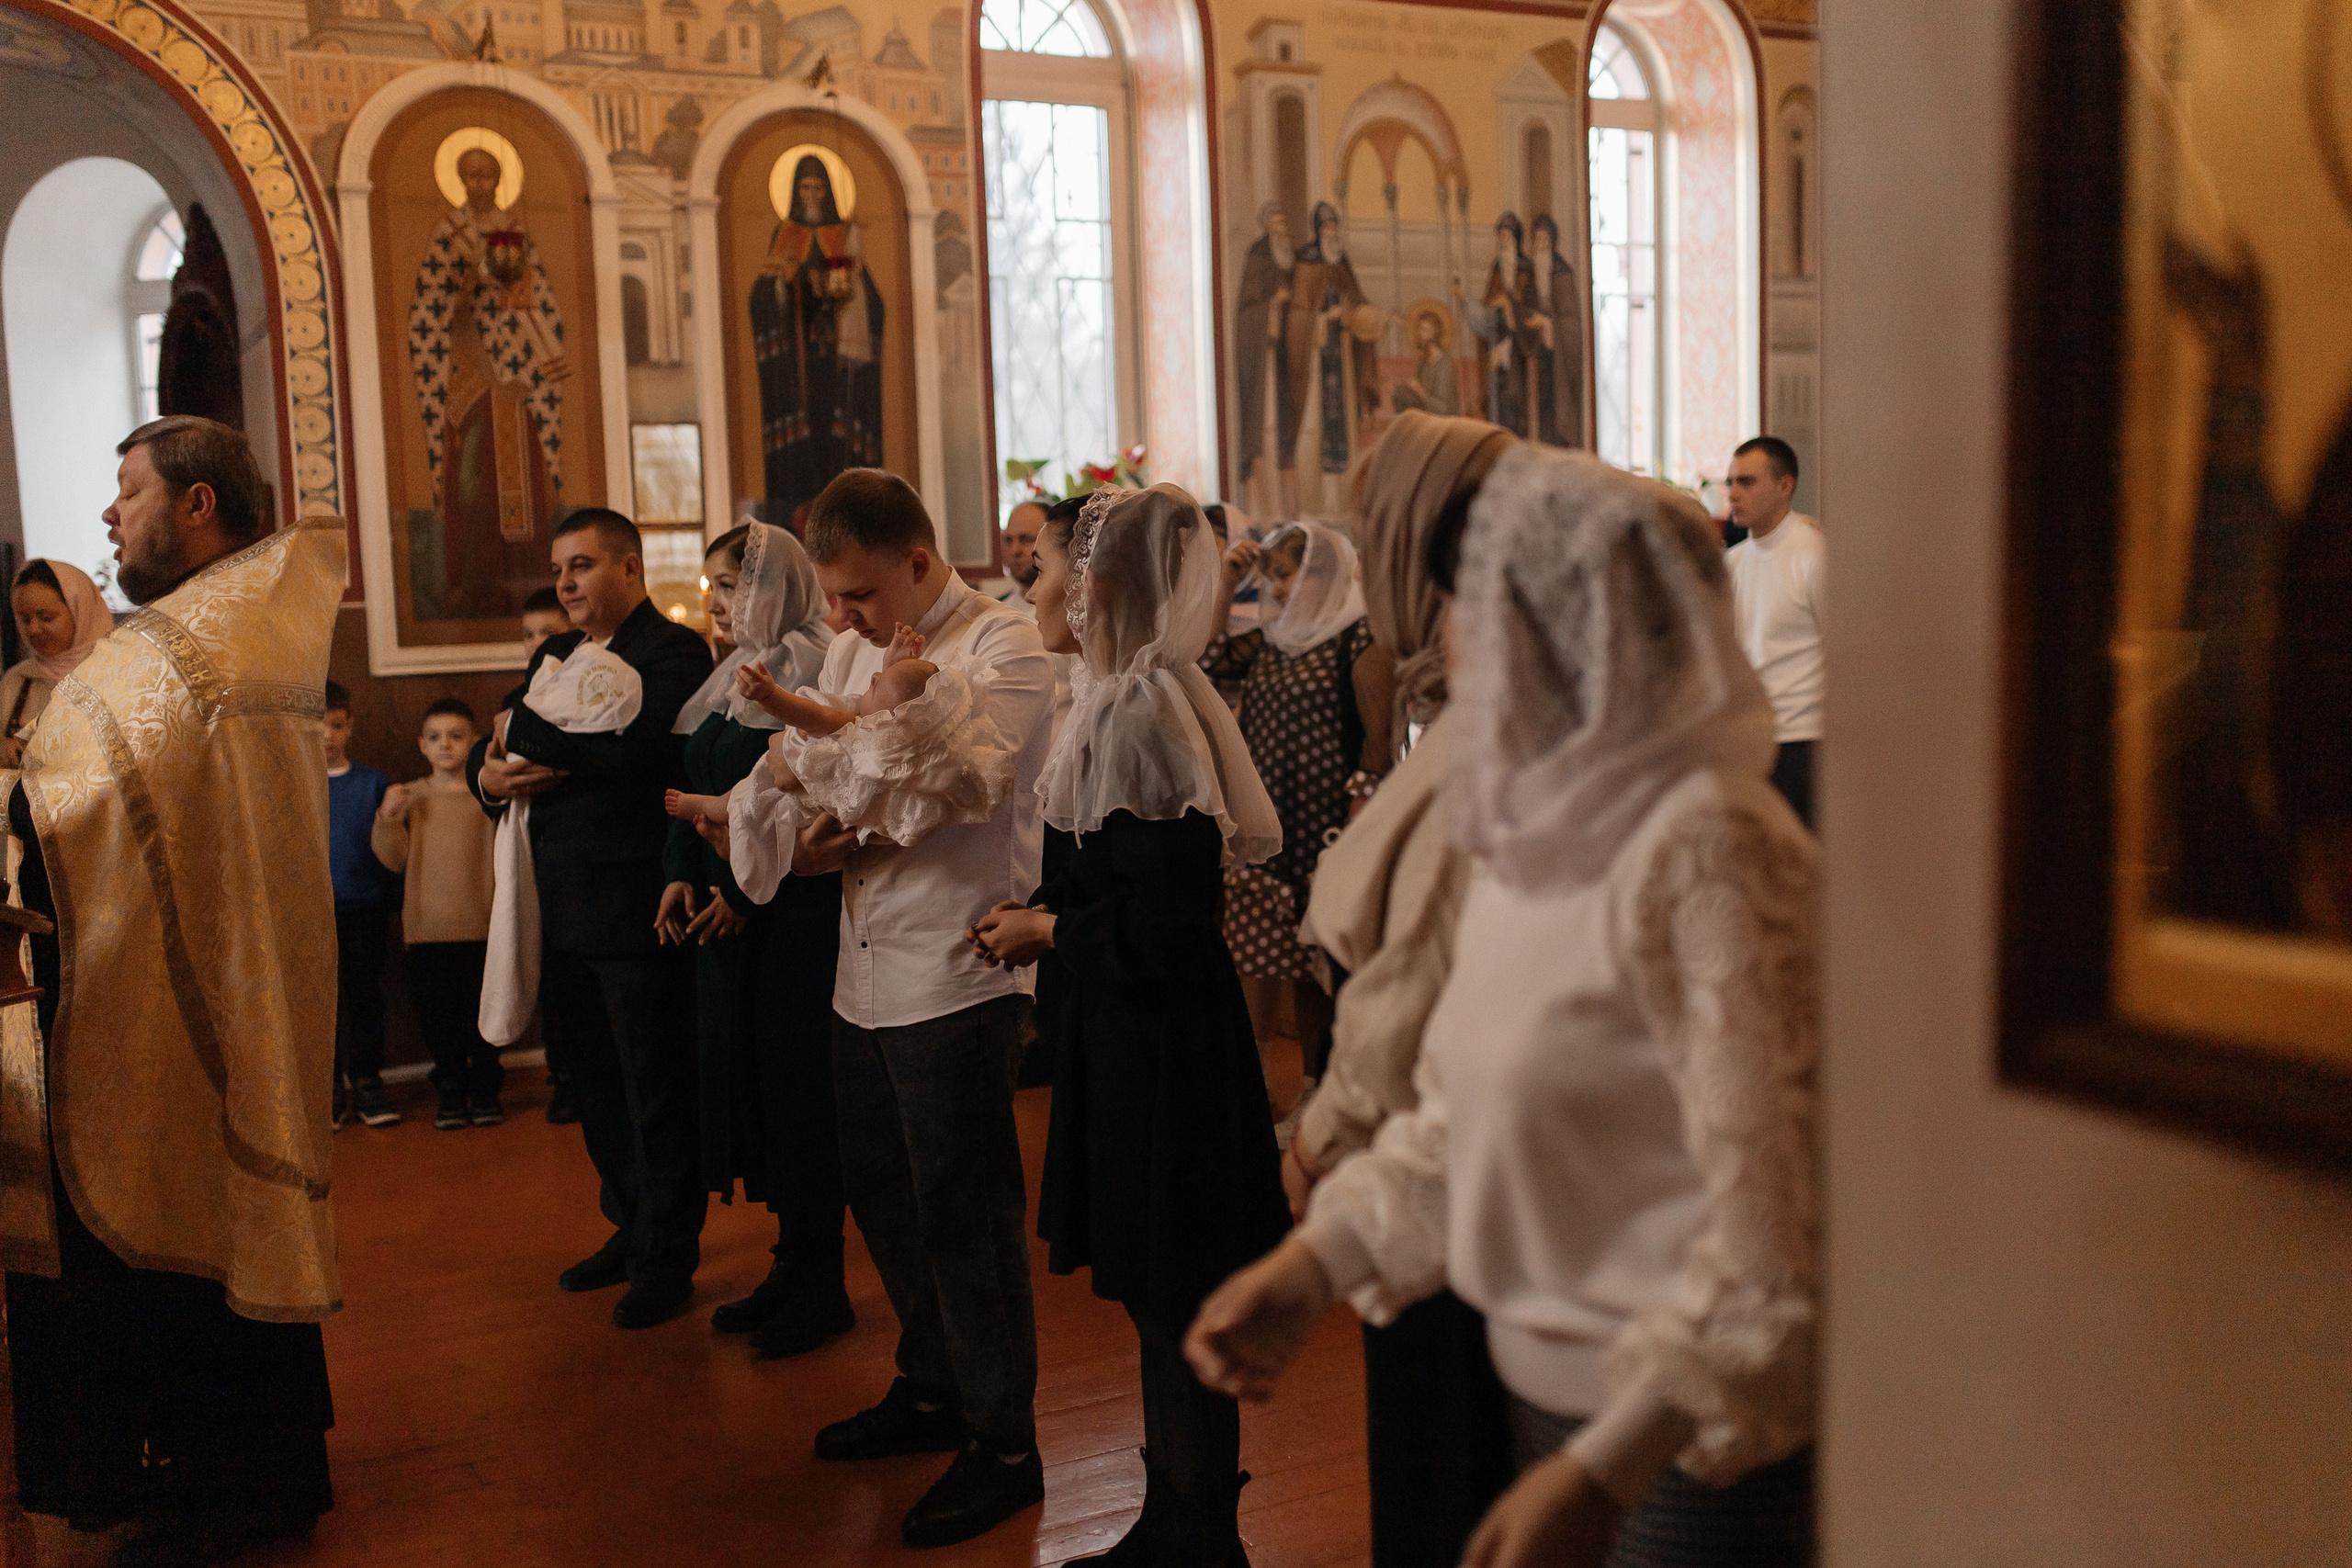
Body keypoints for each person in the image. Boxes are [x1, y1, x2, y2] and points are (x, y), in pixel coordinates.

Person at [1186, 447, 1821, 1568]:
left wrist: (1605, 1471)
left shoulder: (1705, 848)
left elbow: (1776, 1246)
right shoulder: (1535, 832)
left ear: (1588, 635)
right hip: (1545, 1411)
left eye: (1486, 611)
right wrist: (1317, 1263)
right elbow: (1456, 1115)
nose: (1455, 642)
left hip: (1687, 1445)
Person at [4, 415, 345, 1560]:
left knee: (173, 1226)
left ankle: (222, 1480)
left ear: (199, 506)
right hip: (180, 968)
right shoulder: (231, 618)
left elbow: (75, 800)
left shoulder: (206, 637)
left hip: (166, 984)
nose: (109, 514)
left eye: (129, 490)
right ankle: (216, 1470)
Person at [969, 484, 1287, 1564]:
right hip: (1132, 1033)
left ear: (1098, 584)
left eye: (1047, 566)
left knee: (1176, 1292)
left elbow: (1164, 916)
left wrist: (1048, 933)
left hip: (1167, 1047)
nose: (1033, 587)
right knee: (1156, 1295)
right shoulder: (1111, 695)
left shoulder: (1143, 708)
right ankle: (1172, 1523)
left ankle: (1203, 1537)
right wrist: (1042, 920)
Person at [758, 468, 1053, 1550]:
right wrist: (805, 832)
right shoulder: (849, 646)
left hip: (954, 969)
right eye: (834, 598)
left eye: (857, 594)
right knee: (882, 1191)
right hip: (858, 968)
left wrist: (830, 806)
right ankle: (931, 1386)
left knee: (966, 1216)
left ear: (919, 564)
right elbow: (799, 763)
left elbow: (928, 796)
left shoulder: (1007, 648)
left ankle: (1004, 1443)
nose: (838, 619)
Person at [1291, 411, 1520, 1568]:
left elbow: (1421, 976)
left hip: (1454, 1193)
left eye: (1370, 523)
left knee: (1448, 1488)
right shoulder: (1470, 705)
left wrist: (1324, 1129)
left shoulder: (1492, 737)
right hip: (1449, 1179)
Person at [469, 508, 714, 1330]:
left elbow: (641, 751)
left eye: (582, 566)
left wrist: (524, 736)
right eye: (560, 569)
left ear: (630, 567)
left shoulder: (675, 652)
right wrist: (489, 778)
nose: (566, 583)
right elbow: (493, 743)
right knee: (590, 1082)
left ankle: (668, 1253)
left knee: (654, 1085)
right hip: (558, 904)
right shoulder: (555, 654)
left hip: (633, 901)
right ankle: (629, 1224)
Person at [659, 522, 852, 1358]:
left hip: (792, 921)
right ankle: (790, 1263)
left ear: (777, 586)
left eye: (732, 585)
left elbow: (798, 802)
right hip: (731, 918)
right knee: (760, 1095)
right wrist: (678, 868)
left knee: (800, 1097)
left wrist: (742, 889)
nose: (720, 604)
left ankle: (821, 1282)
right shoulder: (727, 677)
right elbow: (698, 778)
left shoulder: (809, 669)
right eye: (713, 589)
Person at [1203, 521, 1389, 1127]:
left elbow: (1377, 745)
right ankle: (1257, 1086)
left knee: (1321, 971)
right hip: (1271, 826)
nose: (1276, 590)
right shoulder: (1273, 640)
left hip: (1327, 826)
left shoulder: (1357, 638)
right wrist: (1227, 582)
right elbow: (1206, 660)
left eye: (1284, 575)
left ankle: (1322, 1089)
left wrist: (1352, 839)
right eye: (1273, 576)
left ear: (1322, 574)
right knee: (1259, 956)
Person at [406, 144, 571, 621]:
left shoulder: (514, 232)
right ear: (461, 181)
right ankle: (476, 582)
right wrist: (468, 285)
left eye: (487, 176)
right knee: (475, 478)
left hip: (516, 377)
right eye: (471, 176)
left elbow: (538, 302)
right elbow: (429, 312)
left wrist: (524, 366)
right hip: (470, 379)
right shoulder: (450, 234)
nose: (480, 184)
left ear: (498, 180)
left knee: (526, 473)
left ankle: (530, 580)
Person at [373, 697, 502, 1132]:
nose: (444, 744)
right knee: (438, 1020)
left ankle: (485, 1091)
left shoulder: (487, 797)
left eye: (456, 735)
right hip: (427, 930)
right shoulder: (410, 796)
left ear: (475, 742)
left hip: (483, 927)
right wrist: (388, 818)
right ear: (421, 746)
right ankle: (450, 1092)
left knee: (482, 1017)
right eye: (434, 737)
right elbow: (392, 860)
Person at [1723, 435, 1825, 828]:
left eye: (1746, 482)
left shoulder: (1813, 556)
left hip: (1803, 739)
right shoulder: (1731, 563)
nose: (1733, 494)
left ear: (1785, 486)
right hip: (1750, 739)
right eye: (1730, 482)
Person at [324, 680, 398, 1130]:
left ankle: (368, 1084)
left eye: (335, 725)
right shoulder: (289, 785)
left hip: (365, 910)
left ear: (349, 727)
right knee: (323, 1005)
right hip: (313, 915)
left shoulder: (372, 783)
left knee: (366, 998)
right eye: (318, 726)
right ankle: (327, 1091)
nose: (327, 736)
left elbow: (388, 851)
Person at [0, 558, 109, 768]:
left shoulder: (114, 675)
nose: (33, 629)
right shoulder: (17, 681)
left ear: (80, 611)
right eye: (24, 619)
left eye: (46, 617)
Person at [1234, 201, 1301, 521]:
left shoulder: (1292, 259)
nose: (1280, 227)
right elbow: (1249, 305)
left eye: (1283, 221)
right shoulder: (1259, 255)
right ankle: (1266, 513)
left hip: (1286, 355)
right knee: (1265, 429)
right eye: (1274, 221)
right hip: (1265, 355)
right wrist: (1274, 304)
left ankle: (1288, 512)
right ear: (1266, 225)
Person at [986, 499, 1048, 607]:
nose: (1015, 550)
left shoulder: (1075, 612)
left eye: (1026, 539)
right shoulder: (997, 612)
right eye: (1009, 540)